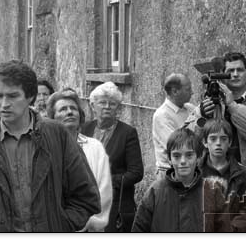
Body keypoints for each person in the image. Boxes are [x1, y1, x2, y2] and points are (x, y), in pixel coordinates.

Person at [0, 60, 101, 232]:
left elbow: (86, 196)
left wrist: (60, 224)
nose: (4, 104)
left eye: (12, 96)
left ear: (30, 97)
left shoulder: (57, 135)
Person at [187, 52, 246, 180]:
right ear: (223, 75)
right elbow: (187, 140)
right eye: (230, 71)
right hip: (212, 181)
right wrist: (202, 116)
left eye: (239, 70)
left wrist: (232, 106)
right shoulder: (211, 104)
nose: (235, 74)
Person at [46, 88, 113, 232]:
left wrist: (84, 223)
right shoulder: (46, 149)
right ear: (52, 118)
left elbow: (104, 190)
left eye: (73, 108)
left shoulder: (95, 147)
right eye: (63, 109)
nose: (69, 112)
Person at [81, 81, 144, 232]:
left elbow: (136, 173)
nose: (107, 107)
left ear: (118, 108)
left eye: (112, 103)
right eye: (102, 102)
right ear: (92, 105)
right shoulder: (84, 129)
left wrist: (104, 181)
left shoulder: (128, 133)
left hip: (115, 206)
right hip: (85, 204)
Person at [132, 128, 204, 232]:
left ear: (198, 157)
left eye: (189, 155)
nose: (183, 161)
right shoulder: (155, 192)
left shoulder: (210, 192)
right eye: (177, 156)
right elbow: (139, 229)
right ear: (169, 159)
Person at [199, 119, 246, 232]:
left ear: (229, 142)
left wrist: (234, 228)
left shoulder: (243, 174)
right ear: (205, 142)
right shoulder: (196, 173)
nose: (218, 143)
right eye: (213, 139)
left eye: (223, 139)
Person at [152, 73, 195, 180]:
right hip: (169, 174)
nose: (192, 92)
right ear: (175, 91)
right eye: (188, 89)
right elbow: (177, 146)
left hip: (188, 170)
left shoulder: (189, 108)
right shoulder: (162, 115)